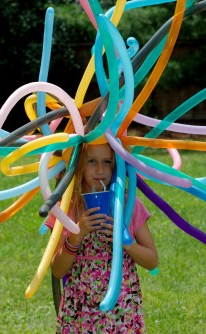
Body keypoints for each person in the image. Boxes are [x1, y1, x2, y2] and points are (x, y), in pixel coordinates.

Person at [46, 143, 158, 333]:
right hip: (79, 310)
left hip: (121, 308)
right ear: (78, 164)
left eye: (107, 162)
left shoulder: (128, 204)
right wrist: (76, 235)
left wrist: (126, 242)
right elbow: (57, 270)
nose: (100, 170)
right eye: (91, 161)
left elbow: (152, 260)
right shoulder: (64, 209)